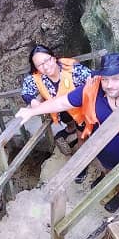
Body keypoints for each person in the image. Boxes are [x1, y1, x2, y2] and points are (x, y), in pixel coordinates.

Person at [15, 53, 119, 212]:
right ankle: (108, 177)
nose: (109, 85)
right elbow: (62, 102)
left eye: (115, 79)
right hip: (103, 148)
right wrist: (33, 111)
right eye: (105, 79)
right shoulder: (94, 89)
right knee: (107, 166)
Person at [21, 44, 92, 183]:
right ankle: (69, 129)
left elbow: (92, 79)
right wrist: (33, 101)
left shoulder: (74, 71)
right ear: (36, 68)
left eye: (47, 60)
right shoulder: (37, 78)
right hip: (62, 111)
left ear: (54, 58)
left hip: (82, 110)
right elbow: (26, 90)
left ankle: (81, 165)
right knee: (67, 119)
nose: (46, 67)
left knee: (82, 137)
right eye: (40, 65)